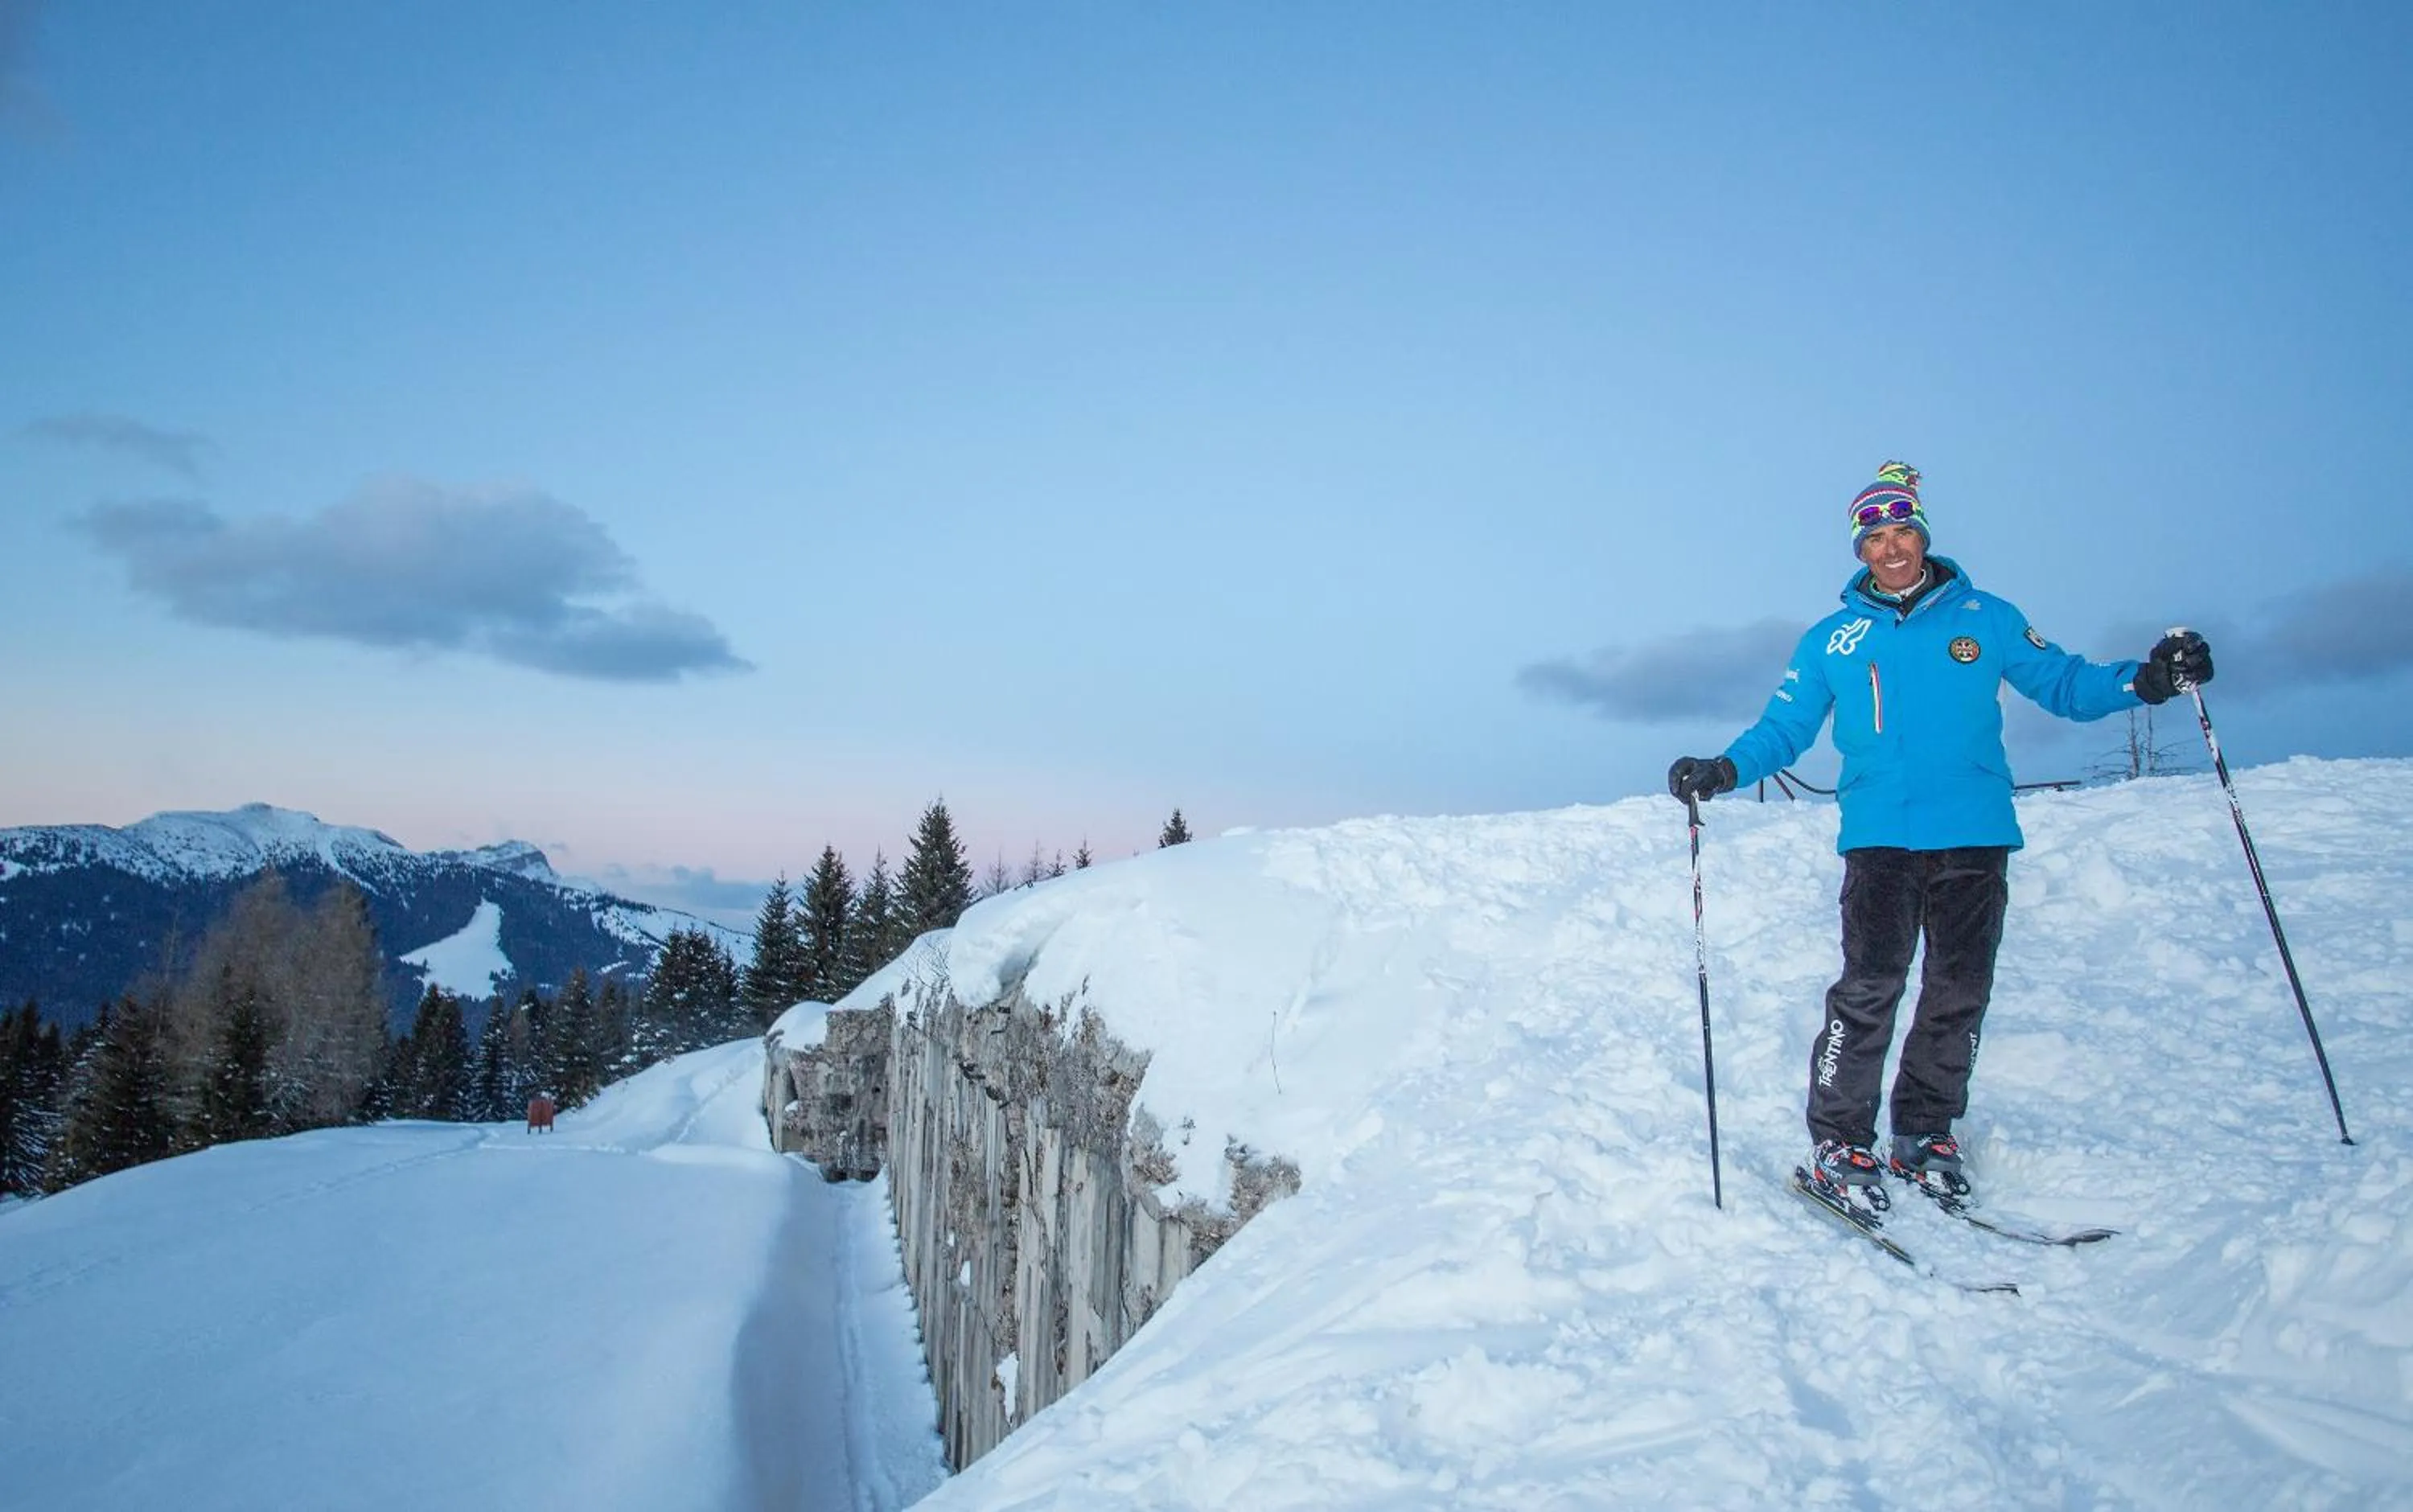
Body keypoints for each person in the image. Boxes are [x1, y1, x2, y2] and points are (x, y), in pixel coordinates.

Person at [1666, 462, 2213, 1208]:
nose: (1890, 548)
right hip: (1880, 839)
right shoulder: (1832, 640)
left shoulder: (1987, 618)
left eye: (1901, 532)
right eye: (1874, 538)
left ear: (1922, 536)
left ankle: (1925, 1133)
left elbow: (2065, 684)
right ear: (1859, 550)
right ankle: (1839, 1141)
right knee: (1870, 988)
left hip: (1973, 834)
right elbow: (1784, 728)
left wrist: (2145, 681)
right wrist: (1726, 769)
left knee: (1959, 990)